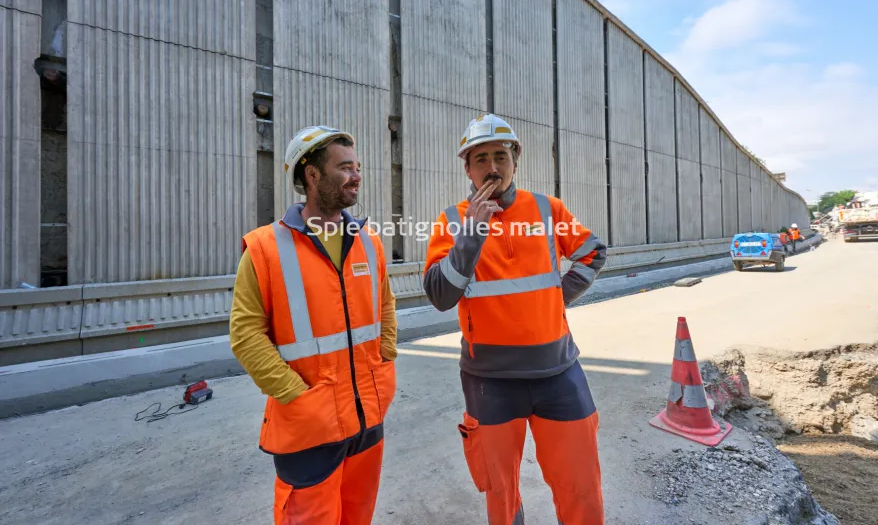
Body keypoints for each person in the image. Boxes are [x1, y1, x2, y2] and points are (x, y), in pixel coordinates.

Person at [422, 114, 608, 525]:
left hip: (558, 373)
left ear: (515, 162)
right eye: (481, 159)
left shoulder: (546, 209)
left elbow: (593, 252)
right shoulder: (451, 221)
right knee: (500, 492)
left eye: (500, 157)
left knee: (581, 485)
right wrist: (472, 233)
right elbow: (439, 295)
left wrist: (558, 297)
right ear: (467, 169)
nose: (492, 167)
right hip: (489, 381)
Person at [229, 126, 397, 525]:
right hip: (308, 430)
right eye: (345, 168)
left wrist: (384, 360)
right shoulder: (265, 248)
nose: (357, 176)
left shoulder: (368, 240)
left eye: (357, 167)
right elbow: (245, 334)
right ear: (313, 175)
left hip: (367, 416)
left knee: (358, 517)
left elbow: (385, 305)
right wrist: (297, 396)